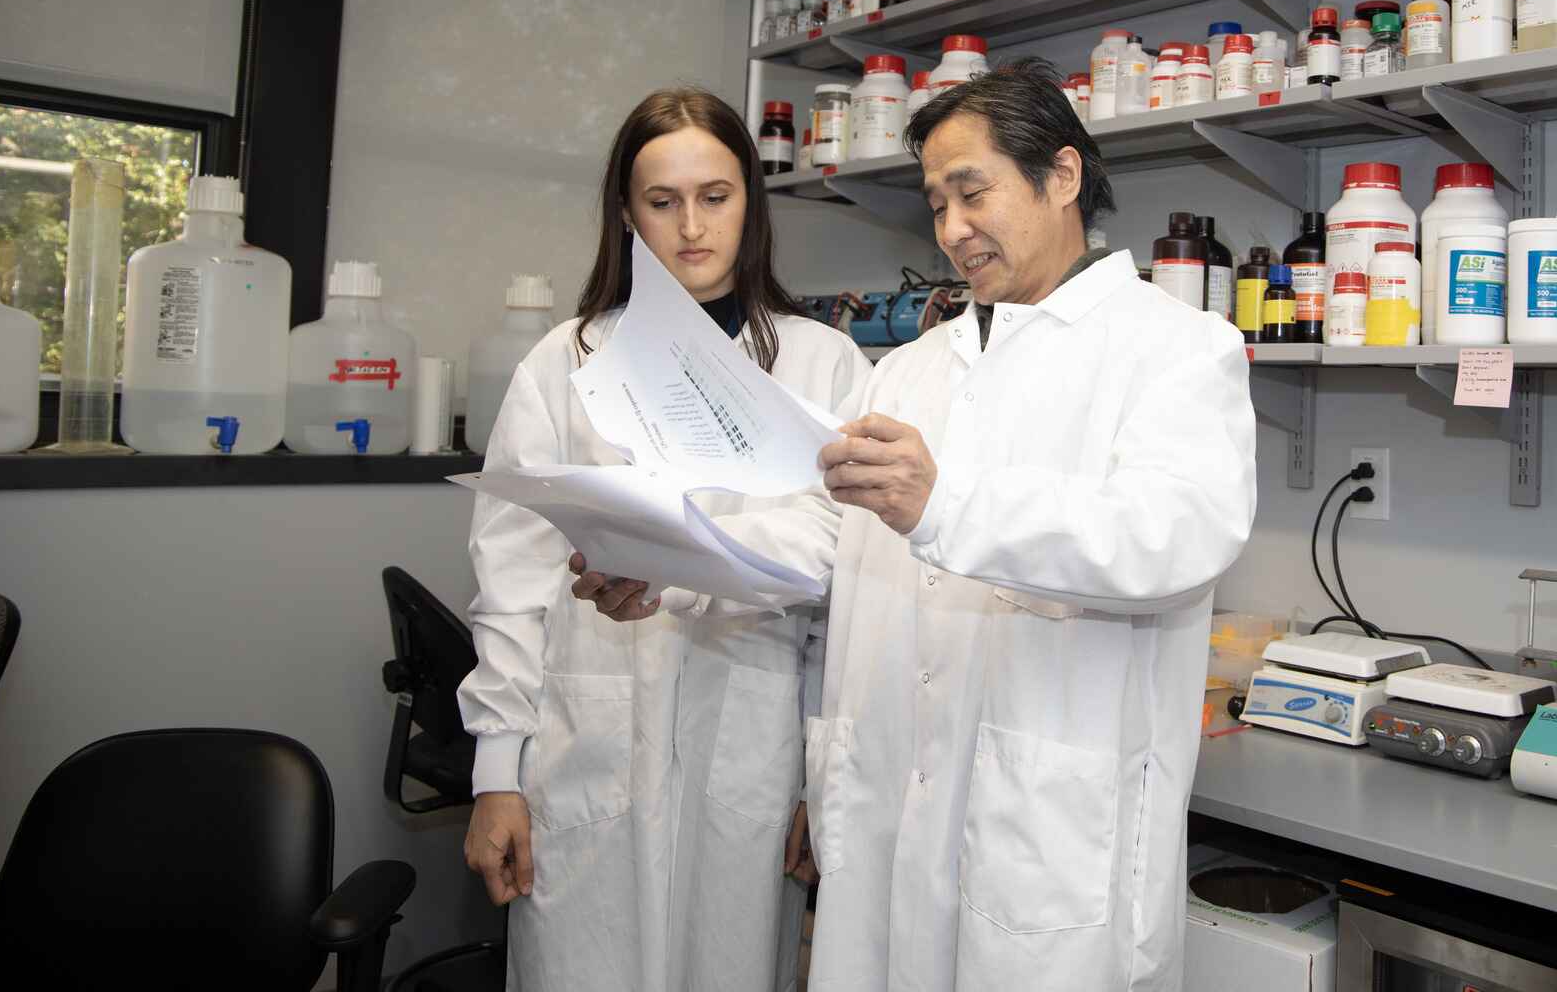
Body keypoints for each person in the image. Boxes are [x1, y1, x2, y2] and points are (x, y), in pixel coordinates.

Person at [574, 60, 1257, 990]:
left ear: (1061, 178)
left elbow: (1175, 536)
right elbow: (828, 551)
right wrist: (668, 575)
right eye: (936, 205)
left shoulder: (1177, 349)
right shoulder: (908, 370)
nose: (951, 230)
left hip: (1053, 837)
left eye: (971, 193)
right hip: (889, 817)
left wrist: (948, 507)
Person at [459, 88, 868, 991]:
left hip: (755, 743)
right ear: (626, 212)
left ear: (750, 205)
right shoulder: (564, 363)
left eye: (715, 196)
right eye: (662, 200)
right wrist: (497, 772)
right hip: (590, 734)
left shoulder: (823, 363)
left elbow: (846, 590)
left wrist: (821, 782)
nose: (691, 226)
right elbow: (513, 582)